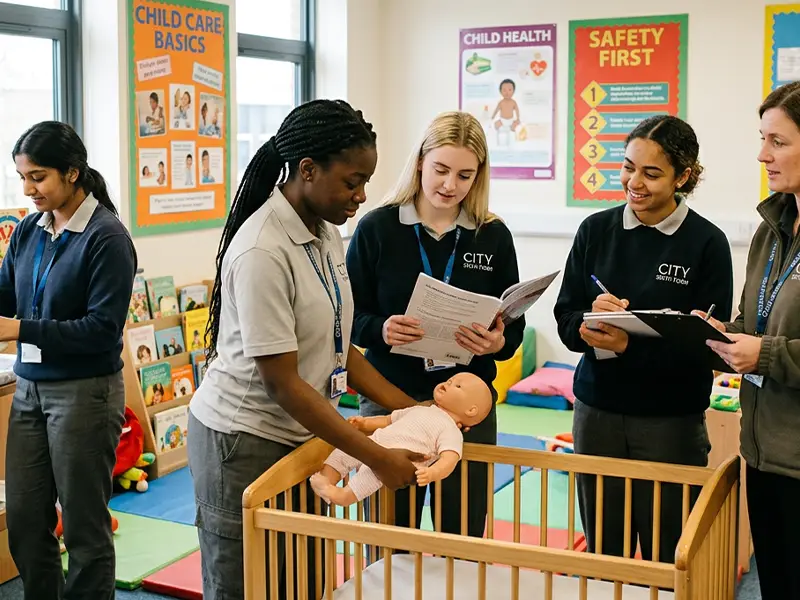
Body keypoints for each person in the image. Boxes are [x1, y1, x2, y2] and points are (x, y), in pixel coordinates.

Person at [187, 99, 429, 600]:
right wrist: (377, 457)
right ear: (307, 169)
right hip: (244, 440)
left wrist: (411, 410)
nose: (362, 196)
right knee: (248, 582)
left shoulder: (325, 232)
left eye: (366, 182)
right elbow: (282, 383)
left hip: (303, 433)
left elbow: (340, 349)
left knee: (303, 577)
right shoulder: (262, 250)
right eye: (352, 181)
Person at [553, 114, 734, 563]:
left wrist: (628, 346)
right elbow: (565, 317)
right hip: (598, 412)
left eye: (651, 173)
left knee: (668, 551)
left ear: (683, 177)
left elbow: (708, 346)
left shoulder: (707, 243)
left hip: (670, 420)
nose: (634, 182)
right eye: (628, 167)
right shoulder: (595, 230)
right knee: (604, 548)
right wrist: (586, 324)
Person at [346, 110, 525, 538]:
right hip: (391, 400)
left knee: (462, 533)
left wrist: (496, 343)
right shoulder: (377, 228)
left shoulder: (493, 235)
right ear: (420, 162)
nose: (449, 185)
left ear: (479, 176)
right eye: (441, 170)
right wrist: (381, 329)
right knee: (389, 536)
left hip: (467, 408)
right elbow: (347, 319)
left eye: (464, 175)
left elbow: (513, 327)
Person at [1, 121, 137, 599]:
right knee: (24, 518)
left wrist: (20, 329)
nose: (28, 189)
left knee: (83, 526)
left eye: (38, 177)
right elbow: (5, 296)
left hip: (85, 392)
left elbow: (101, 330)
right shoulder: (28, 230)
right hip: (29, 390)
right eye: (23, 177)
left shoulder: (107, 237)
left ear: (73, 173)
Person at [701, 81, 800, 599]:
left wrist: (765, 354)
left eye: (777, 142)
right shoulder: (771, 227)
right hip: (762, 452)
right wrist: (724, 334)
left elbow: (770, 347)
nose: (763, 155)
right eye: (763, 139)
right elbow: (756, 321)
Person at [310, 372, 493, 506]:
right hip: (372, 443)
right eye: (449, 380)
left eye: (457, 386)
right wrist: (365, 423)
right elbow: (388, 419)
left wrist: (432, 473)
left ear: (471, 410)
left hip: (391, 463)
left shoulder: (451, 431)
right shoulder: (420, 409)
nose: (448, 383)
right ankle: (326, 479)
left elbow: (449, 460)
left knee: (364, 481)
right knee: (342, 454)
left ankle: (340, 496)